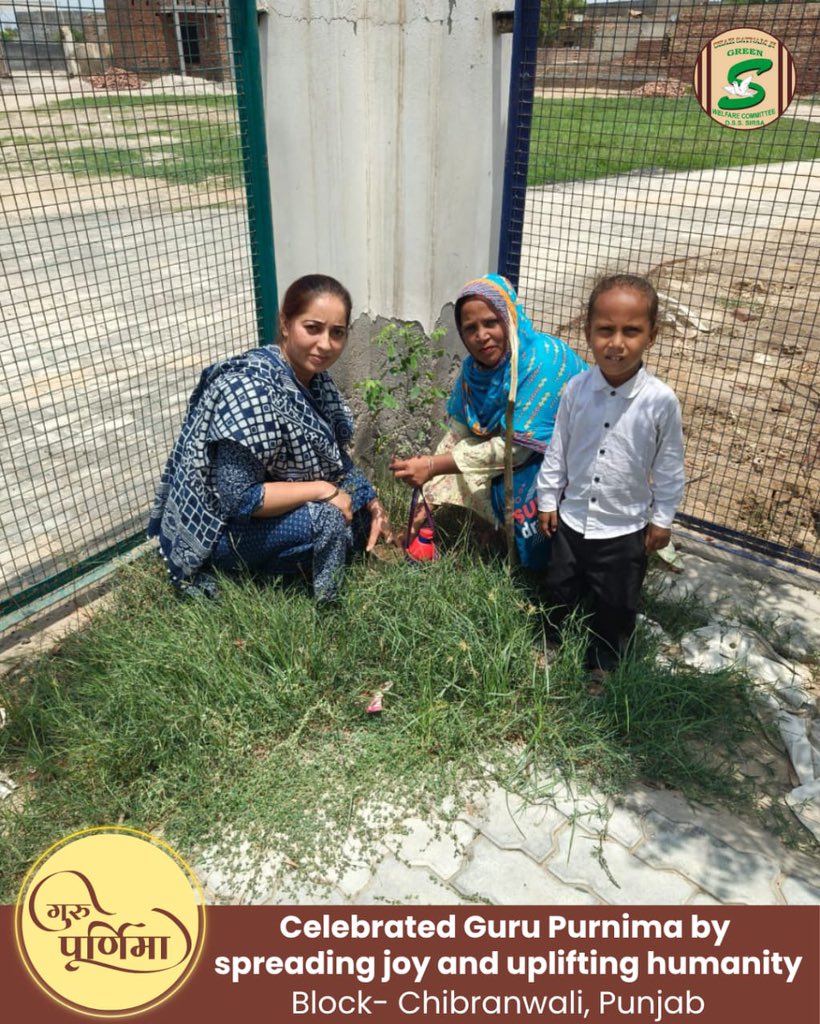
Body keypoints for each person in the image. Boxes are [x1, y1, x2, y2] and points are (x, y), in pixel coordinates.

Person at [148, 274, 393, 600]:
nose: (325, 344)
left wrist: (372, 502)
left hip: (277, 508)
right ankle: (328, 610)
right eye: (313, 328)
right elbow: (240, 499)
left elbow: (333, 459)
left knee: (358, 511)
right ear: (286, 323)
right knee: (330, 519)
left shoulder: (314, 382)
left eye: (337, 333)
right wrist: (323, 490)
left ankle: (288, 568)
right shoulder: (251, 388)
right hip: (226, 531)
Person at [536, 273, 685, 680]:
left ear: (651, 336)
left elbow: (670, 465)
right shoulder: (576, 390)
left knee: (616, 602)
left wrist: (663, 518)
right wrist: (548, 498)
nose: (616, 343)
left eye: (631, 331)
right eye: (605, 330)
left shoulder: (660, 402)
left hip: (624, 526)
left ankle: (602, 664)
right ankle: (550, 640)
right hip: (572, 519)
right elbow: (559, 449)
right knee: (560, 585)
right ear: (588, 332)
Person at [389, 274, 587, 534]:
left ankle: (531, 543)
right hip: (529, 457)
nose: (482, 336)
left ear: (509, 319)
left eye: (491, 323)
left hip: (580, 465)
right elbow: (458, 435)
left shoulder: (542, 362)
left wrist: (432, 466)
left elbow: (517, 450)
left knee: (484, 467)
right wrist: (424, 500)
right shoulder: (475, 371)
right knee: (465, 454)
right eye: (471, 328)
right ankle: (496, 529)